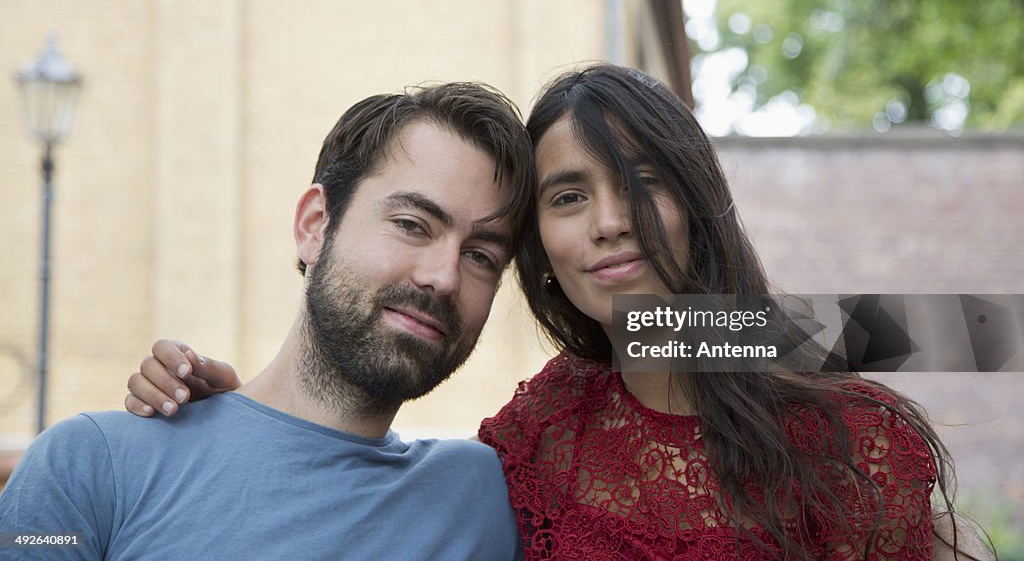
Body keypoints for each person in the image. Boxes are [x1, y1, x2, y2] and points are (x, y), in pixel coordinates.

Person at [122, 64, 988, 559]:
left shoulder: (841, 430)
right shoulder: (532, 442)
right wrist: (235, 428)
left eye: (646, 181)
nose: (612, 221)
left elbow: (960, 329)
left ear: (697, 197)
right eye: (569, 195)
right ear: (538, 248)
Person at [0, 82, 536, 559]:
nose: (444, 277)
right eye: (412, 224)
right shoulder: (93, 464)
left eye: (482, 256)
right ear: (315, 225)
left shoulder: (492, 495)